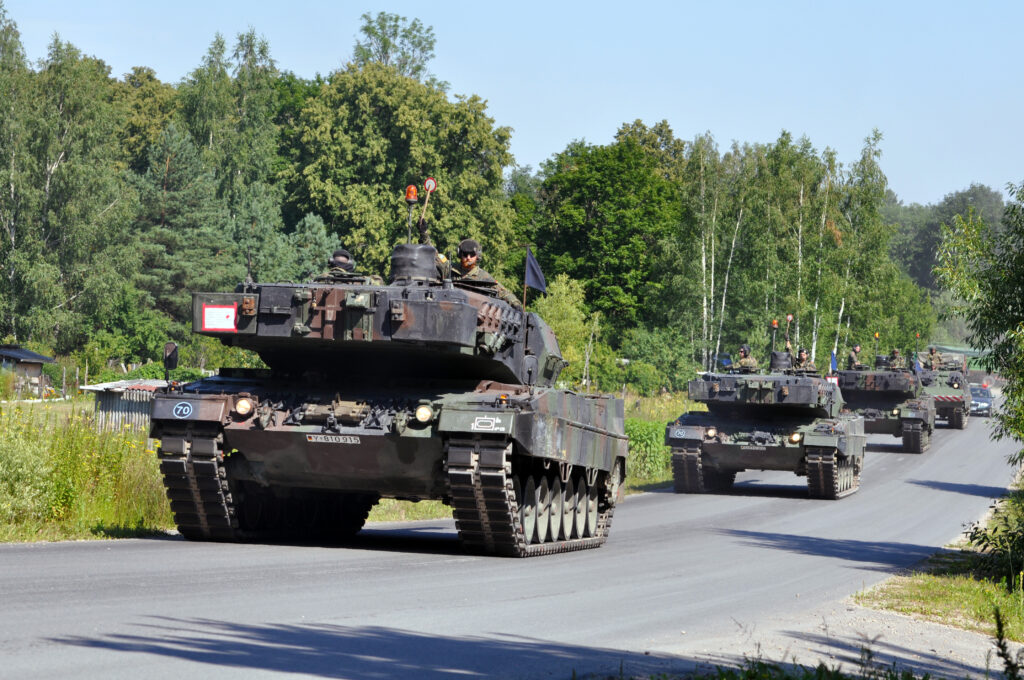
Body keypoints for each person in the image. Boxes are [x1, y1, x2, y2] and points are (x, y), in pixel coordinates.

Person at [418, 219, 522, 309]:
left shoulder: (484, 277)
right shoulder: (449, 269)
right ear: (460, 254)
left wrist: (516, 304)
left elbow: (503, 292)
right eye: (465, 254)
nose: (468, 258)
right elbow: (432, 254)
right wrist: (424, 234)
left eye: (471, 254)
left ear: (477, 256)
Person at [315, 248, 383, 284]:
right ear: (350, 264)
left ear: (331, 262)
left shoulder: (321, 279)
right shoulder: (361, 282)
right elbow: (379, 282)